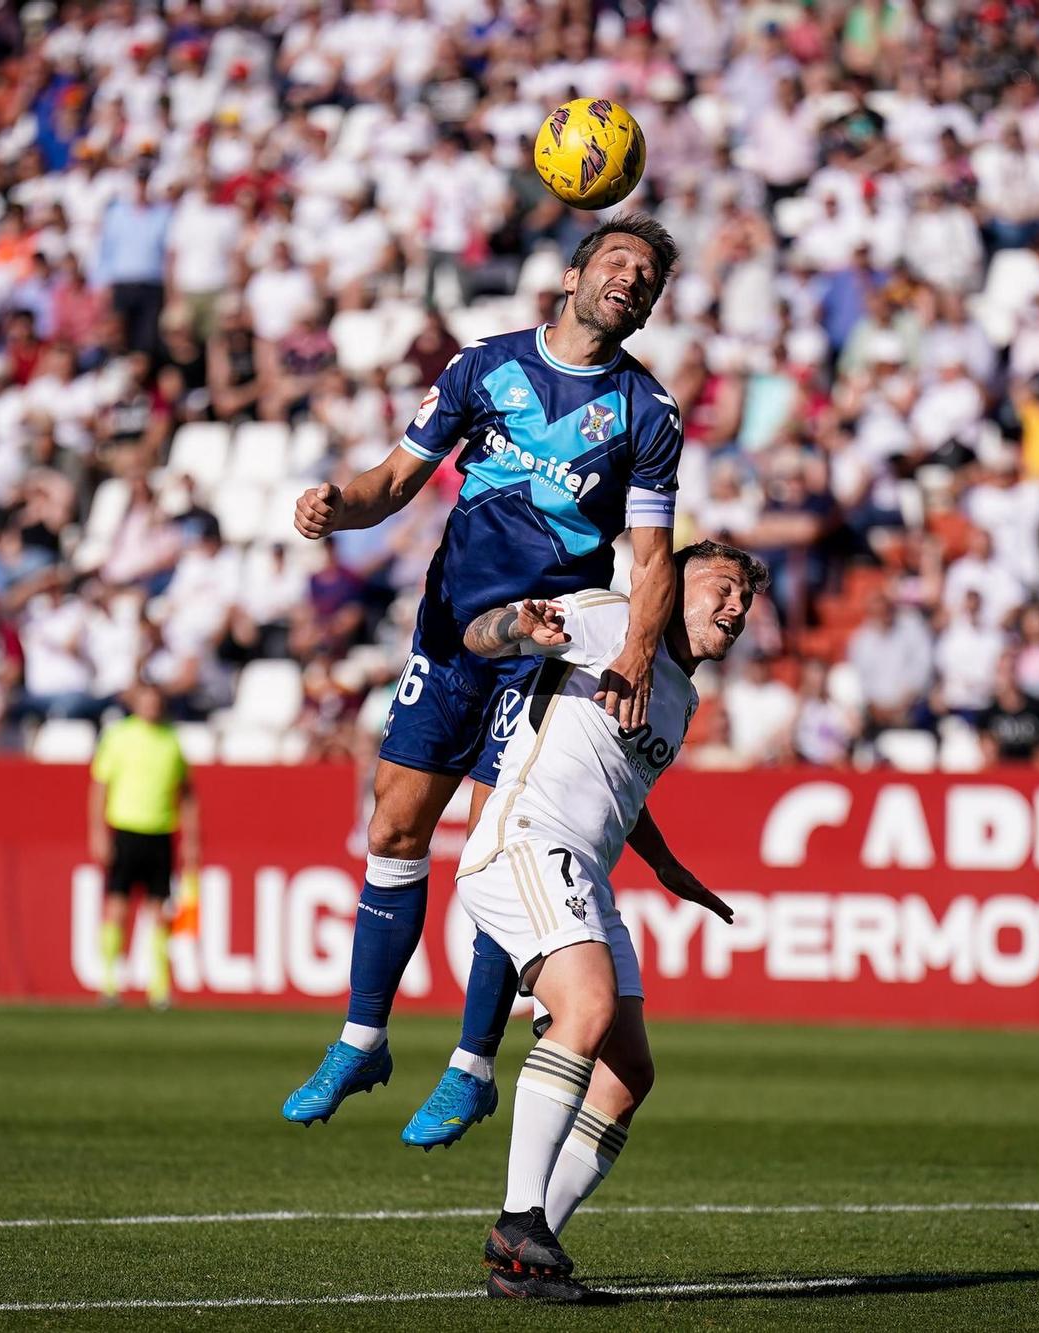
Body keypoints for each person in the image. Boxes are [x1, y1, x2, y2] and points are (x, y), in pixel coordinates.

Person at [281, 216, 687, 1149]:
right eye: (617, 261)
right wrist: (336, 507)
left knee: (500, 851)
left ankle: (470, 1067)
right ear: (576, 272)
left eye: (648, 277)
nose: (631, 279)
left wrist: (629, 654)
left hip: (542, 651)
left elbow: (655, 559)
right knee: (394, 824)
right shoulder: (484, 367)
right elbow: (394, 478)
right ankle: (363, 1039)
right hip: (448, 632)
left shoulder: (646, 414)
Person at [454, 541, 761, 1302]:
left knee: (629, 1075)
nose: (737, 606)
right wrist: (516, 623)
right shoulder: (611, 619)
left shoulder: (681, 695)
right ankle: (517, 1216)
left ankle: (524, 1259)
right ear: (670, 583)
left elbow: (622, 780)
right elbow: (481, 633)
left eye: (746, 601)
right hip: (524, 839)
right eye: (722, 587)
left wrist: (662, 862)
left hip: (584, 868)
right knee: (587, 1008)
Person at [88, 682, 200, 1010]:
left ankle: (159, 987)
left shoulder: (171, 740)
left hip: (160, 832)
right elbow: (99, 786)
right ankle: (109, 982)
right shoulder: (118, 736)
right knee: (118, 906)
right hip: (126, 829)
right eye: (146, 701)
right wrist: (98, 833)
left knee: (159, 910)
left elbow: (187, 792)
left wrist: (191, 839)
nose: (151, 707)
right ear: (136, 704)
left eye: (155, 701)